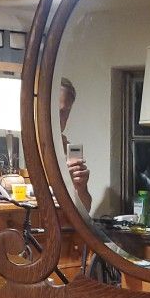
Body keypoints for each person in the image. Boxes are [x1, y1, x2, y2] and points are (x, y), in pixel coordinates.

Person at [58, 76, 91, 211]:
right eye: (54, 110)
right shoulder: (25, 146)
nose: (59, 118)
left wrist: (81, 188)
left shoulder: (72, 150)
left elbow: (86, 209)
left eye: (64, 112)